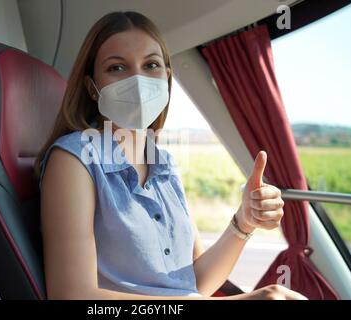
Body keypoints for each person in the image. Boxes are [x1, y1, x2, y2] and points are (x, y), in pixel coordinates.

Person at [34, 11, 307, 300]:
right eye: (116, 68)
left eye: (150, 65)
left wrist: (245, 221)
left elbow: (195, 282)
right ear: (93, 88)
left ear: (166, 77)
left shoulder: (164, 164)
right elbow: (71, 296)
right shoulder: (74, 160)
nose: (137, 80)